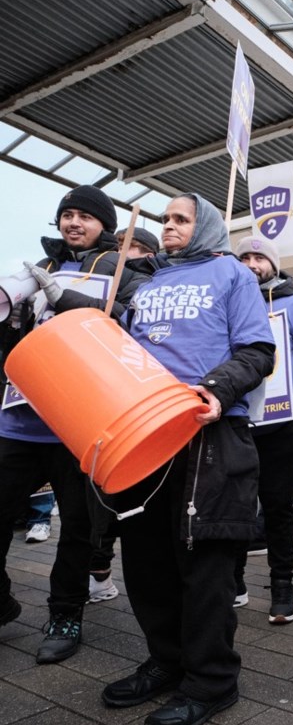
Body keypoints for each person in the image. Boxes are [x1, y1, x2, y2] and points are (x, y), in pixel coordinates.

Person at [99, 193, 274, 725]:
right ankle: (168, 661)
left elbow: (258, 350)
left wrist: (216, 389)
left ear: (207, 228)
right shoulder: (144, 285)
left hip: (209, 432)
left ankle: (211, 681)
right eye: (165, 220)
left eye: (181, 220)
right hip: (143, 433)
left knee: (206, 565)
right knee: (147, 559)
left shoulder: (232, 275)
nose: (169, 227)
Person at [0, 185, 145, 660]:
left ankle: (66, 614)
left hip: (79, 424)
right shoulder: (36, 270)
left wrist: (70, 302)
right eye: (67, 215)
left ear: (105, 224)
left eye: (85, 215)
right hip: (20, 418)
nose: (73, 223)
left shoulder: (123, 269)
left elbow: (135, 327)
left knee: (79, 528)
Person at [233, 235, 293, 624]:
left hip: (281, 428)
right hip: (237, 426)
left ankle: (282, 585)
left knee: (278, 508)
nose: (253, 263)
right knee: (234, 509)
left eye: (259, 257)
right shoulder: (230, 304)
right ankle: (233, 581)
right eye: (245, 257)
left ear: (273, 264)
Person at [88, 226, 160, 605]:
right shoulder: (101, 273)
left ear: (145, 252)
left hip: (134, 402)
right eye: (115, 246)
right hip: (101, 398)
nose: (117, 252)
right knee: (97, 492)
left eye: (125, 246)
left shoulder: (153, 285)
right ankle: (99, 568)